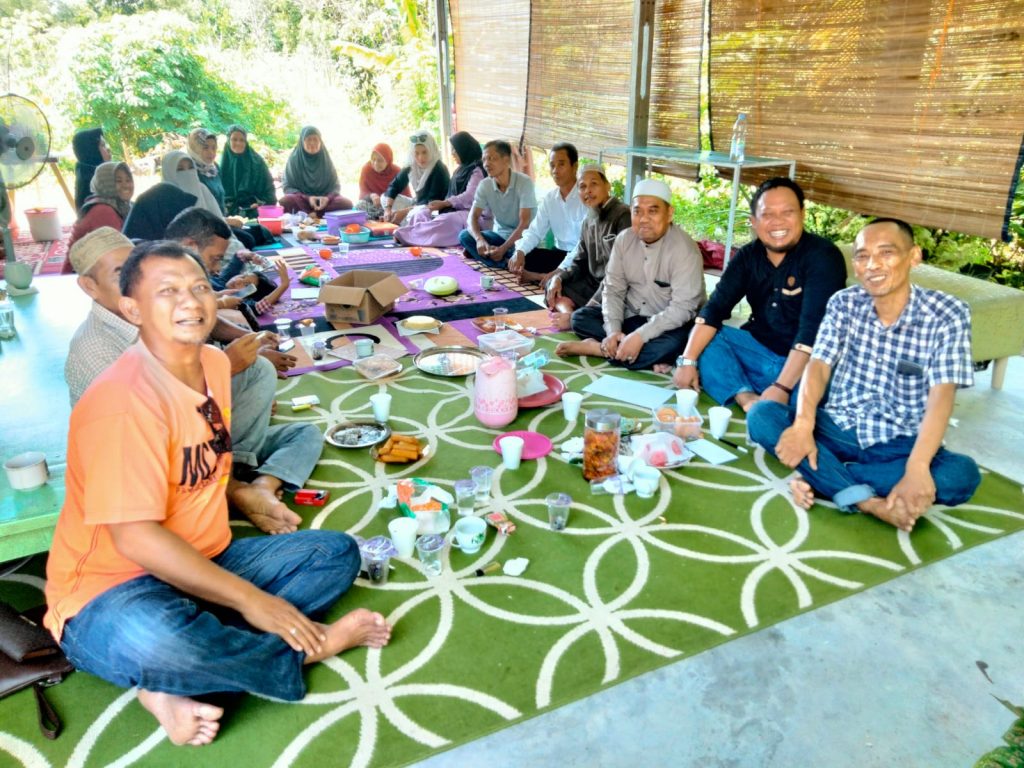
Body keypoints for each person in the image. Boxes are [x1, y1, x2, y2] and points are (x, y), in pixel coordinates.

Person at [46, 240, 391, 747]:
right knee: (158, 640)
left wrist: (248, 505)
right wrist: (253, 601)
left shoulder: (211, 364)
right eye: (167, 291)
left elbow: (206, 459)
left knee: (334, 554)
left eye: (199, 287)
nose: (190, 301)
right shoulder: (120, 402)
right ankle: (301, 651)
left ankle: (179, 678)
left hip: (204, 560)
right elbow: (135, 539)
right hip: (110, 590)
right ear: (132, 309)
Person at [747, 218, 982, 532]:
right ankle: (867, 502)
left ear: (914, 256)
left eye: (886, 253)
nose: (872, 265)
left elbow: (942, 396)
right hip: (836, 429)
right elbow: (818, 366)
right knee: (762, 415)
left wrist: (917, 466)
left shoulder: (947, 313)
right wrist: (803, 425)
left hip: (901, 442)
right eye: (862, 256)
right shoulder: (843, 303)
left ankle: (821, 478)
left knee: (961, 475)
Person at [64, 226, 301, 535]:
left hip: (200, 442)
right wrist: (227, 367)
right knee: (331, 552)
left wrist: (235, 361)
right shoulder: (94, 350)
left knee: (301, 431)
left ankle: (246, 482)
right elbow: (152, 427)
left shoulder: (156, 315)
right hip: (153, 466)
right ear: (89, 286)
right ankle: (234, 489)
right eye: (121, 274)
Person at [672, 177, 847, 412]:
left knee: (813, 400)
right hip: (759, 353)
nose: (778, 222)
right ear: (754, 222)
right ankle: (746, 397)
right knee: (703, 340)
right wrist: (687, 361)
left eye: (787, 212)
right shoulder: (748, 256)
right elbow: (714, 310)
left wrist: (782, 387)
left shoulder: (823, 256)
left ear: (802, 214)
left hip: (806, 365)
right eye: (767, 214)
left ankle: (760, 393)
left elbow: (812, 332)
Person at [555, 179, 706, 371]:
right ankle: (624, 349)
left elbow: (683, 308)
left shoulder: (684, 249)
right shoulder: (624, 240)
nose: (643, 219)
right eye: (637, 211)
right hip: (632, 317)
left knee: (674, 346)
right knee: (580, 318)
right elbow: (613, 290)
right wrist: (613, 331)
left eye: (652, 211)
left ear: (669, 214)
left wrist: (640, 336)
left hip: (670, 325)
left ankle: (598, 349)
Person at [544, 164, 631, 329]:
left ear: (607, 186)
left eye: (594, 184)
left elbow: (622, 271)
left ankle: (577, 317)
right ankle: (570, 314)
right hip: (593, 285)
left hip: (618, 288)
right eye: (582, 186)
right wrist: (559, 278)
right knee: (554, 286)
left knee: (595, 312)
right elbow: (580, 262)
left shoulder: (623, 215)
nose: (588, 191)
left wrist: (593, 303)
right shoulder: (588, 221)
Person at [507, 142, 587, 285]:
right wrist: (520, 252)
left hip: (580, 257)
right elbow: (535, 232)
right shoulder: (550, 199)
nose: (555, 170)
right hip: (558, 254)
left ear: (575, 166)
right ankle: (550, 278)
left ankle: (541, 277)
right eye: (552, 165)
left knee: (583, 270)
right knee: (521, 255)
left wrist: (560, 269)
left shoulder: (586, 198)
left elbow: (584, 245)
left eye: (561, 164)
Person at [393, 130, 484, 247]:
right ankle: (416, 238)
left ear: (464, 149)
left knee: (447, 220)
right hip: (452, 209)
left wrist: (445, 203)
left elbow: (470, 197)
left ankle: (409, 236)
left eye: (455, 150)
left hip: (471, 213)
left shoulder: (477, 170)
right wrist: (439, 206)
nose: (452, 153)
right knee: (421, 213)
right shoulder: (460, 169)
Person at [458, 139, 536, 267]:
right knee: (464, 236)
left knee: (526, 254)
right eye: (484, 160)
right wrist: (479, 240)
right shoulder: (485, 185)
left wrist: (504, 249)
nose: (486, 164)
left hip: (523, 240)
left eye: (491, 158)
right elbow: (472, 217)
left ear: (506, 160)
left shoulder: (524, 182)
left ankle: (500, 260)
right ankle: (505, 263)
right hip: (499, 238)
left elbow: (525, 224)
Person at [279, 126, 352, 216]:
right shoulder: (294, 160)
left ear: (320, 142)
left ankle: (311, 214)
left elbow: (335, 186)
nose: (312, 143)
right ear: (302, 142)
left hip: (324, 202)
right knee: (286, 201)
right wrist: (308, 198)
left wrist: (327, 198)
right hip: (303, 201)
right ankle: (318, 214)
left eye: (315, 139)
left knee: (346, 203)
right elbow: (287, 187)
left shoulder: (325, 159)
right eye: (309, 139)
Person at [381, 131, 450, 225]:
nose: (420, 157)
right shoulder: (412, 165)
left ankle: (405, 223)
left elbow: (431, 204)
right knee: (384, 198)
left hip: (434, 211)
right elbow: (394, 186)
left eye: (424, 152)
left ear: (431, 149)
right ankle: (401, 220)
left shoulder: (439, 169)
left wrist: (405, 212)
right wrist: (388, 209)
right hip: (417, 205)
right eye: (416, 153)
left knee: (416, 213)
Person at [67, 161, 134, 254]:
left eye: (128, 180)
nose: (126, 185)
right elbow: (116, 251)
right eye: (118, 181)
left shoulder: (123, 205)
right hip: (87, 262)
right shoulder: (103, 210)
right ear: (105, 183)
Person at [221, 124, 278, 219]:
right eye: (234, 139)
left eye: (242, 140)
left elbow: (269, 190)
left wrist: (260, 203)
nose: (238, 143)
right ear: (228, 141)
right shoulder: (224, 163)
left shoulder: (257, 162)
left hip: (253, 207)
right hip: (229, 209)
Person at [356, 142, 404, 219]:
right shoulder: (367, 169)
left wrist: (389, 204)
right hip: (375, 207)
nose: (376, 163)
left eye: (380, 160)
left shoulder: (397, 171)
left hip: (392, 207)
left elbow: (406, 197)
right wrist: (371, 195)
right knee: (359, 205)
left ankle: (385, 218)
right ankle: (380, 219)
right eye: (373, 159)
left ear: (388, 160)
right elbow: (363, 192)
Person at [187, 128, 227, 214]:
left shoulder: (215, 168)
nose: (211, 152)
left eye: (214, 148)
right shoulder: (189, 170)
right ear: (195, 148)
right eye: (205, 148)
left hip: (222, 219)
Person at [72, 127, 111, 211]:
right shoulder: (93, 182)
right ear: (92, 151)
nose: (108, 149)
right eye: (103, 145)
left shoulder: (84, 173)